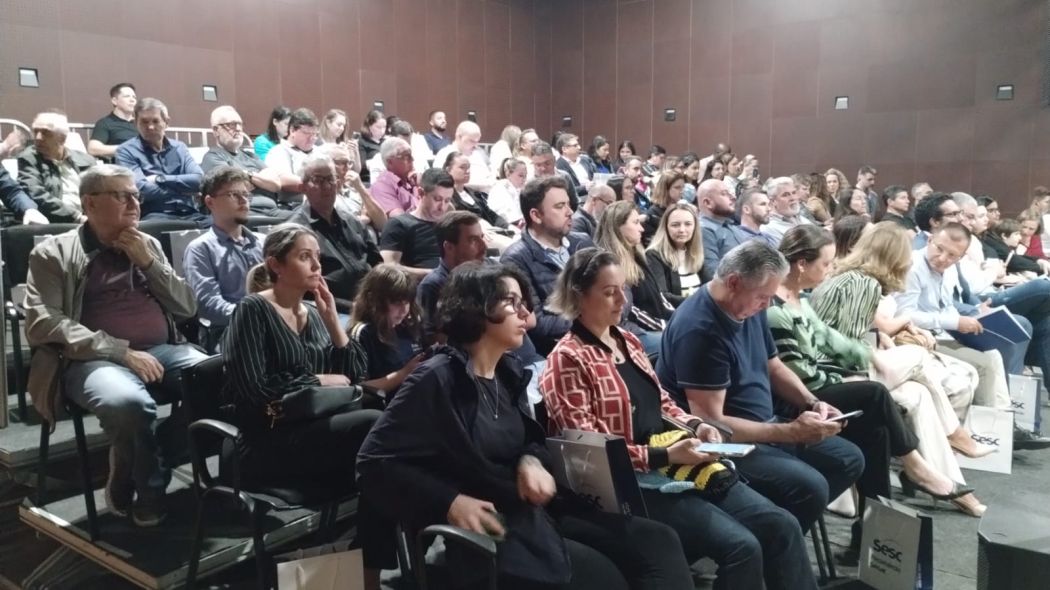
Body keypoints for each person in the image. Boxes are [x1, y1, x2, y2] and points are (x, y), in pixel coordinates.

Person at [357, 261, 696, 590]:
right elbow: (373, 462)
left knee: (658, 541)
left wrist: (529, 460)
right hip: (493, 526)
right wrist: (450, 501)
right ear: (476, 309)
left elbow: (528, 441)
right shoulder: (435, 378)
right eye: (512, 302)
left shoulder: (506, 372)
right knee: (605, 578)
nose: (526, 314)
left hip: (532, 511)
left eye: (524, 303)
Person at [541, 248, 817, 590]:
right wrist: (666, 455)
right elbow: (590, 451)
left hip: (671, 460)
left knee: (781, 525)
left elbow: (662, 403)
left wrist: (697, 426)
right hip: (628, 482)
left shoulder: (627, 341)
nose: (622, 300)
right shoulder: (568, 358)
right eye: (610, 292)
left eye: (623, 289)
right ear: (579, 296)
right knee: (742, 546)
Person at [23, 164, 207, 526]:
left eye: (136, 195)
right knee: (127, 404)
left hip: (162, 351)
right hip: (89, 360)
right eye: (121, 196)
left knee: (222, 377)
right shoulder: (53, 252)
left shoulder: (147, 244)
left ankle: (142, 462)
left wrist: (149, 263)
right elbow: (44, 322)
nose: (135, 204)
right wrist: (120, 351)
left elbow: (186, 307)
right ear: (90, 203)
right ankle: (150, 492)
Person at [771, 225, 982, 522]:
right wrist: (854, 368)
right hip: (798, 395)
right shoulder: (776, 306)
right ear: (803, 264)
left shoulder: (800, 298)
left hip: (818, 380)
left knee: (879, 428)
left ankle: (874, 526)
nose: (831, 269)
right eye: (826, 263)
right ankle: (917, 466)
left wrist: (869, 353)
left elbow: (830, 339)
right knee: (879, 390)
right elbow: (794, 369)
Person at [655, 240, 865, 533]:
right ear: (733, 283)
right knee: (810, 486)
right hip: (724, 445)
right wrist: (791, 432)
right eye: (763, 297)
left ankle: (778, 530)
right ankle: (774, 536)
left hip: (764, 424)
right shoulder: (700, 330)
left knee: (848, 459)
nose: (767, 305)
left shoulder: (746, 306)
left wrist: (811, 402)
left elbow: (773, 365)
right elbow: (712, 424)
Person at [222, 224, 382, 519]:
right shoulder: (252, 310)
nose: (317, 265)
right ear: (276, 265)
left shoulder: (315, 312)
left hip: (313, 425)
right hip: (266, 438)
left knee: (387, 428)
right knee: (374, 427)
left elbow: (355, 374)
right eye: (305, 256)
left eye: (317, 256)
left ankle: (379, 532)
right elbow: (254, 388)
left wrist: (333, 322)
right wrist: (316, 380)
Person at [501, 176, 594, 355]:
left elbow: (618, 284)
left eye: (568, 204)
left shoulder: (582, 241)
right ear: (536, 215)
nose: (570, 212)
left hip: (610, 330)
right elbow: (538, 323)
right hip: (567, 348)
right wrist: (593, 318)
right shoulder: (516, 259)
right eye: (560, 206)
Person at [183, 166, 264, 352]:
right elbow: (209, 305)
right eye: (234, 194)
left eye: (246, 194)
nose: (244, 200)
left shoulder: (264, 242)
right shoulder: (200, 249)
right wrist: (258, 316)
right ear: (210, 202)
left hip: (273, 323)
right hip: (229, 332)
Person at [287, 154, 382, 312]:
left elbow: (377, 263)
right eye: (318, 180)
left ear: (338, 184)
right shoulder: (296, 231)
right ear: (303, 187)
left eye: (330, 179)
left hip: (370, 303)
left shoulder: (352, 221)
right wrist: (354, 307)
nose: (327, 186)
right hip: (329, 310)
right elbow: (303, 289)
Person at [594, 201, 672, 353]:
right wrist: (665, 326)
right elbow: (631, 311)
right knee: (682, 340)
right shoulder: (610, 264)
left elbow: (659, 297)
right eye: (635, 223)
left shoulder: (637, 255)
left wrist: (676, 318)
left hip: (651, 325)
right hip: (629, 333)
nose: (641, 228)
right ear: (618, 227)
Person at [115, 97, 206, 223]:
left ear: (166, 122)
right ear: (135, 123)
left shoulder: (179, 147)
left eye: (155, 121)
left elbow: (199, 180)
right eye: (144, 122)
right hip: (154, 216)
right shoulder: (125, 151)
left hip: (191, 213)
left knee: (222, 226)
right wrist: (185, 189)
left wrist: (159, 179)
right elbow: (140, 190)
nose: (150, 127)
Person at [348, 264, 425, 391]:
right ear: (373, 299)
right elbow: (356, 390)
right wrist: (403, 374)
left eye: (407, 302)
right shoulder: (363, 334)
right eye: (397, 302)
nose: (404, 310)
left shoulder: (408, 326)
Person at [417, 211, 488, 345]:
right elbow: (432, 339)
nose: (484, 246)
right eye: (473, 240)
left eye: (482, 237)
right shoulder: (433, 285)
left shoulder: (489, 273)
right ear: (449, 247)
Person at [17, 111, 97, 223]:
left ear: (62, 138)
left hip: (89, 218)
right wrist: (77, 217)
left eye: (46, 133)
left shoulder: (86, 161)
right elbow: (36, 194)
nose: (38, 137)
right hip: (55, 221)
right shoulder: (29, 158)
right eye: (35, 132)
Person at [201, 106, 283, 213]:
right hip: (244, 213)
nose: (238, 129)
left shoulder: (251, 156)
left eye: (240, 124)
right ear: (216, 130)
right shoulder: (213, 157)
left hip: (274, 211)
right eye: (232, 124)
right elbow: (234, 186)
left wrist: (247, 175)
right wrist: (261, 180)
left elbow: (276, 184)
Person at [379, 169, 453, 277]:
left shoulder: (449, 225)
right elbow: (389, 269)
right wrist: (436, 274)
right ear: (421, 193)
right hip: (419, 285)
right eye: (437, 199)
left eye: (447, 201)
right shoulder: (398, 224)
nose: (442, 207)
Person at [444, 151, 515, 251]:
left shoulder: (473, 194)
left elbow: (491, 215)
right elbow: (458, 221)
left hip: (492, 230)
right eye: (462, 167)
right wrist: (478, 230)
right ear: (448, 170)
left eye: (469, 167)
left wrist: (509, 226)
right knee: (513, 248)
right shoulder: (448, 197)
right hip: (475, 236)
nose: (468, 171)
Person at [645, 202, 705, 306]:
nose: (682, 230)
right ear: (665, 227)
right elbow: (662, 296)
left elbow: (710, 286)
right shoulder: (653, 255)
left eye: (688, 224)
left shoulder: (696, 253)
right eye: (675, 225)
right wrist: (699, 303)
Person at [265, 108, 320, 209]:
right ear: (292, 130)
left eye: (315, 134)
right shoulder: (279, 151)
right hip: (295, 207)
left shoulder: (320, 151)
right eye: (307, 133)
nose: (312, 138)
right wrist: (319, 186)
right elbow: (284, 180)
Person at [432, 120, 494, 192]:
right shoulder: (445, 154)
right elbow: (440, 183)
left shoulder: (479, 153)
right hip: (461, 195)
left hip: (486, 193)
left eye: (477, 141)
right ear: (459, 137)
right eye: (472, 141)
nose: (476, 145)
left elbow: (490, 175)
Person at [88, 83, 138, 160]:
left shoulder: (141, 123)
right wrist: (127, 149)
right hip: (121, 164)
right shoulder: (106, 123)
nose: (132, 100)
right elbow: (93, 149)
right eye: (127, 96)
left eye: (134, 97)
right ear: (114, 101)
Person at [369, 137, 418, 216]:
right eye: (406, 156)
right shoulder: (382, 186)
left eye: (411, 155)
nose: (412, 159)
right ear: (390, 162)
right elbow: (399, 220)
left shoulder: (413, 181)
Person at [760, 177, 810, 246]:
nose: (793, 198)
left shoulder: (801, 218)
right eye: (785, 195)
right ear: (773, 201)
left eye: (794, 193)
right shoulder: (768, 228)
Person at [642, 172, 685, 246]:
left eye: (683, 187)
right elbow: (651, 243)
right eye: (677, 187)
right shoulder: (652, 214)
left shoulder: (680, 209)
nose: (682, 191)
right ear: (665, 189)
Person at [487, 157, 528, 227]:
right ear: (508, 174)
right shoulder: (500, 188)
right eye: (521, 175)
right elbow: (510, 217)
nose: (524, 179)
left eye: (525, 176)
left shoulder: (519, 190)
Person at [356, 110, 386, 184]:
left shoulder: (385, 142)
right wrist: (374, 162)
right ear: (369, 126)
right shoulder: (362, 142)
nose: (382, 131)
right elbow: (361, 167)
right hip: (368, 179)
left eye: (384, 127)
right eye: (378, 127)